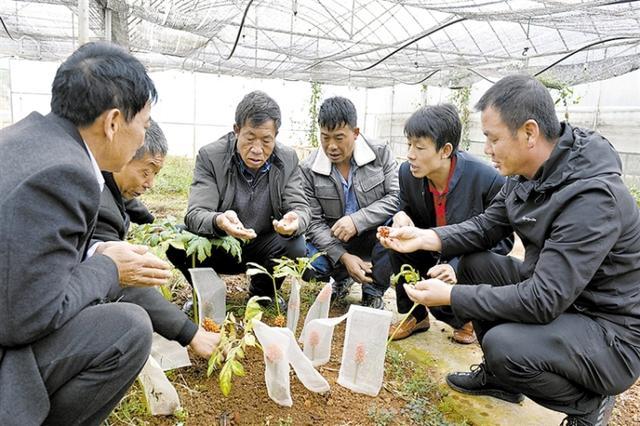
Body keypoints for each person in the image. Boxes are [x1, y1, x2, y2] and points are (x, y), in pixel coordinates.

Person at [378, 74, 640, 425]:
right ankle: (500, 380)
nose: (486, 149)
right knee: (474, 264)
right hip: (568, 303)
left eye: (493, 138)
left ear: (529, 133)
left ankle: (588, 406)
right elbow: (487, 226)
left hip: (609, 333)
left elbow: (543, 299)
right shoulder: (529, 176)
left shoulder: (592, 199)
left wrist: (453, 297)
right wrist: (425, 237)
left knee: (506, 346)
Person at [0, 42, 178, 425]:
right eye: (143, 125)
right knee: (127, 328)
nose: (140, 137)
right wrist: (108, 267)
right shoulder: (66, 173)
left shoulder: (23, 139)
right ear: (113, 122)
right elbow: (30, 317)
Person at [168, 91, 310, 304]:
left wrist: (295, 219)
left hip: (263, 247)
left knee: (295, 244)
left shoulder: (287, 159)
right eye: (250, 138)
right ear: (236, 130)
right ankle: (208, 293)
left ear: (276, 135)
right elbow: (196, 213)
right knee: (176, 240)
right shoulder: (211, 157)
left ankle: (263, 293)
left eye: (266, 141)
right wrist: (220, 221)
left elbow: (300, 206)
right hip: (221, 244)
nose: (256, 149)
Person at [93, 119, 219, 357]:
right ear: (124, 154)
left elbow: (128, 203)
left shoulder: (108, 180)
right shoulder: (100, 207)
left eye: (156, 173)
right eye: (146, 171)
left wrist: (155, 223)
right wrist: (191, 333)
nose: (150, 183)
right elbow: (126, 279)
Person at [387, 103, 512, 342]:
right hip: (429, 247)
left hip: (465, 255)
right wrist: (400, 216)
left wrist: (456, 266)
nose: (410, 154)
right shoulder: (408, 173)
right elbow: (404, 205)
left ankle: (466, 319)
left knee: (470, 266)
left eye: (420, 147)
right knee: (396, 243)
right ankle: (415, 316)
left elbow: (503, 241)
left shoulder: (486, 179)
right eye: (409, 145)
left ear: (445, 150)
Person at [301, 96, 399, 309]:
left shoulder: (379, 153)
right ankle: (341, 277)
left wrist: (358, 220)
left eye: (339, 137)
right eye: (325, 138)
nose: (331, 146)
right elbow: (314, 223)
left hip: (374, 234)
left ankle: (373, 291)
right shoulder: (309, 169)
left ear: (355, 133)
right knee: (311, 264)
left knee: (393, 234)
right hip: (336, 240)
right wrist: (343, 256)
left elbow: (396, 198)